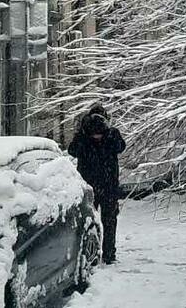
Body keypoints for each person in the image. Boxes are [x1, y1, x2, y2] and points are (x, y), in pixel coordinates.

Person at [68, 105, 126, 264]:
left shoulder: (83, 135)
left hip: (88, 185)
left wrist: (83, 135)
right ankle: (109, 254)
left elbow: (72, 150)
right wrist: (109, 134)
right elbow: (121, 147)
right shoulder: (112, 134)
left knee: (86, 221)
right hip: (108, 185)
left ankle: (88, 253)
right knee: (109, 221)